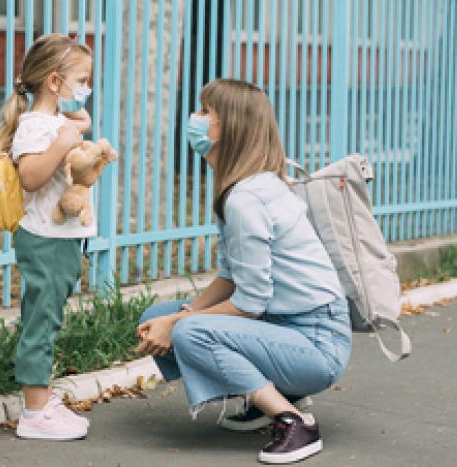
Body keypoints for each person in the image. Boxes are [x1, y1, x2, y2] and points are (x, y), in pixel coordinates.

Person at [136, 79, 352, 464]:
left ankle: (293, 420)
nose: (195, 119)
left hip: (319, 343)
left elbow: (250, 304)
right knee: (161, 316)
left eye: (205, 112)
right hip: (287, 326)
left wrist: (182, 323)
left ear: (229, 128)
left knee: (190, 331)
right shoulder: (244, 187)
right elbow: (231, 276)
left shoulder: (247, 198)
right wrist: (175, 316)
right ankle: (275, 394)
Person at [0, 33, 94, 441]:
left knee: (48, 315)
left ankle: (42, 399)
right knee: (41, 319)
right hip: (44, 239)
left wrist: (74, 128)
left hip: (59, 237)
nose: (87, 88)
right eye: (82, 79)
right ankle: (34, 412)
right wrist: (67, 138)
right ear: (54, 82)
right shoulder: (36, 126)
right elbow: (30, 177)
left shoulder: (54, 123)